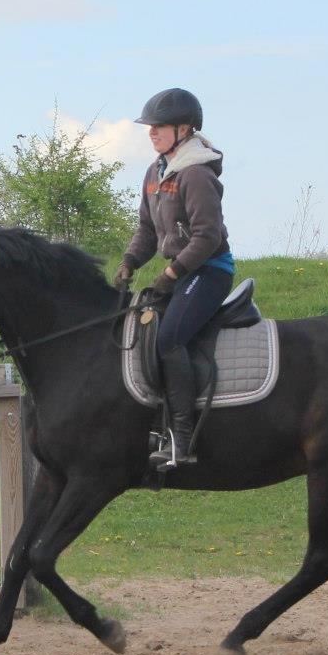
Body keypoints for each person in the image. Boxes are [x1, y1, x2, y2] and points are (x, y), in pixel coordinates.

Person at [114, 88, 234, 468]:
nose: (151, 133)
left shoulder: (196, 174)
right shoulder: (155, 172)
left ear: (185, 129)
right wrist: (130, 262)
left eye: (159, 127)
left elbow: (207, 236)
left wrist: (170, 272)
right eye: (150, 127)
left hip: (209, 271)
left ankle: (182, 438)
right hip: (182, 273)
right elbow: (147, 230)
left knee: (168, 339)